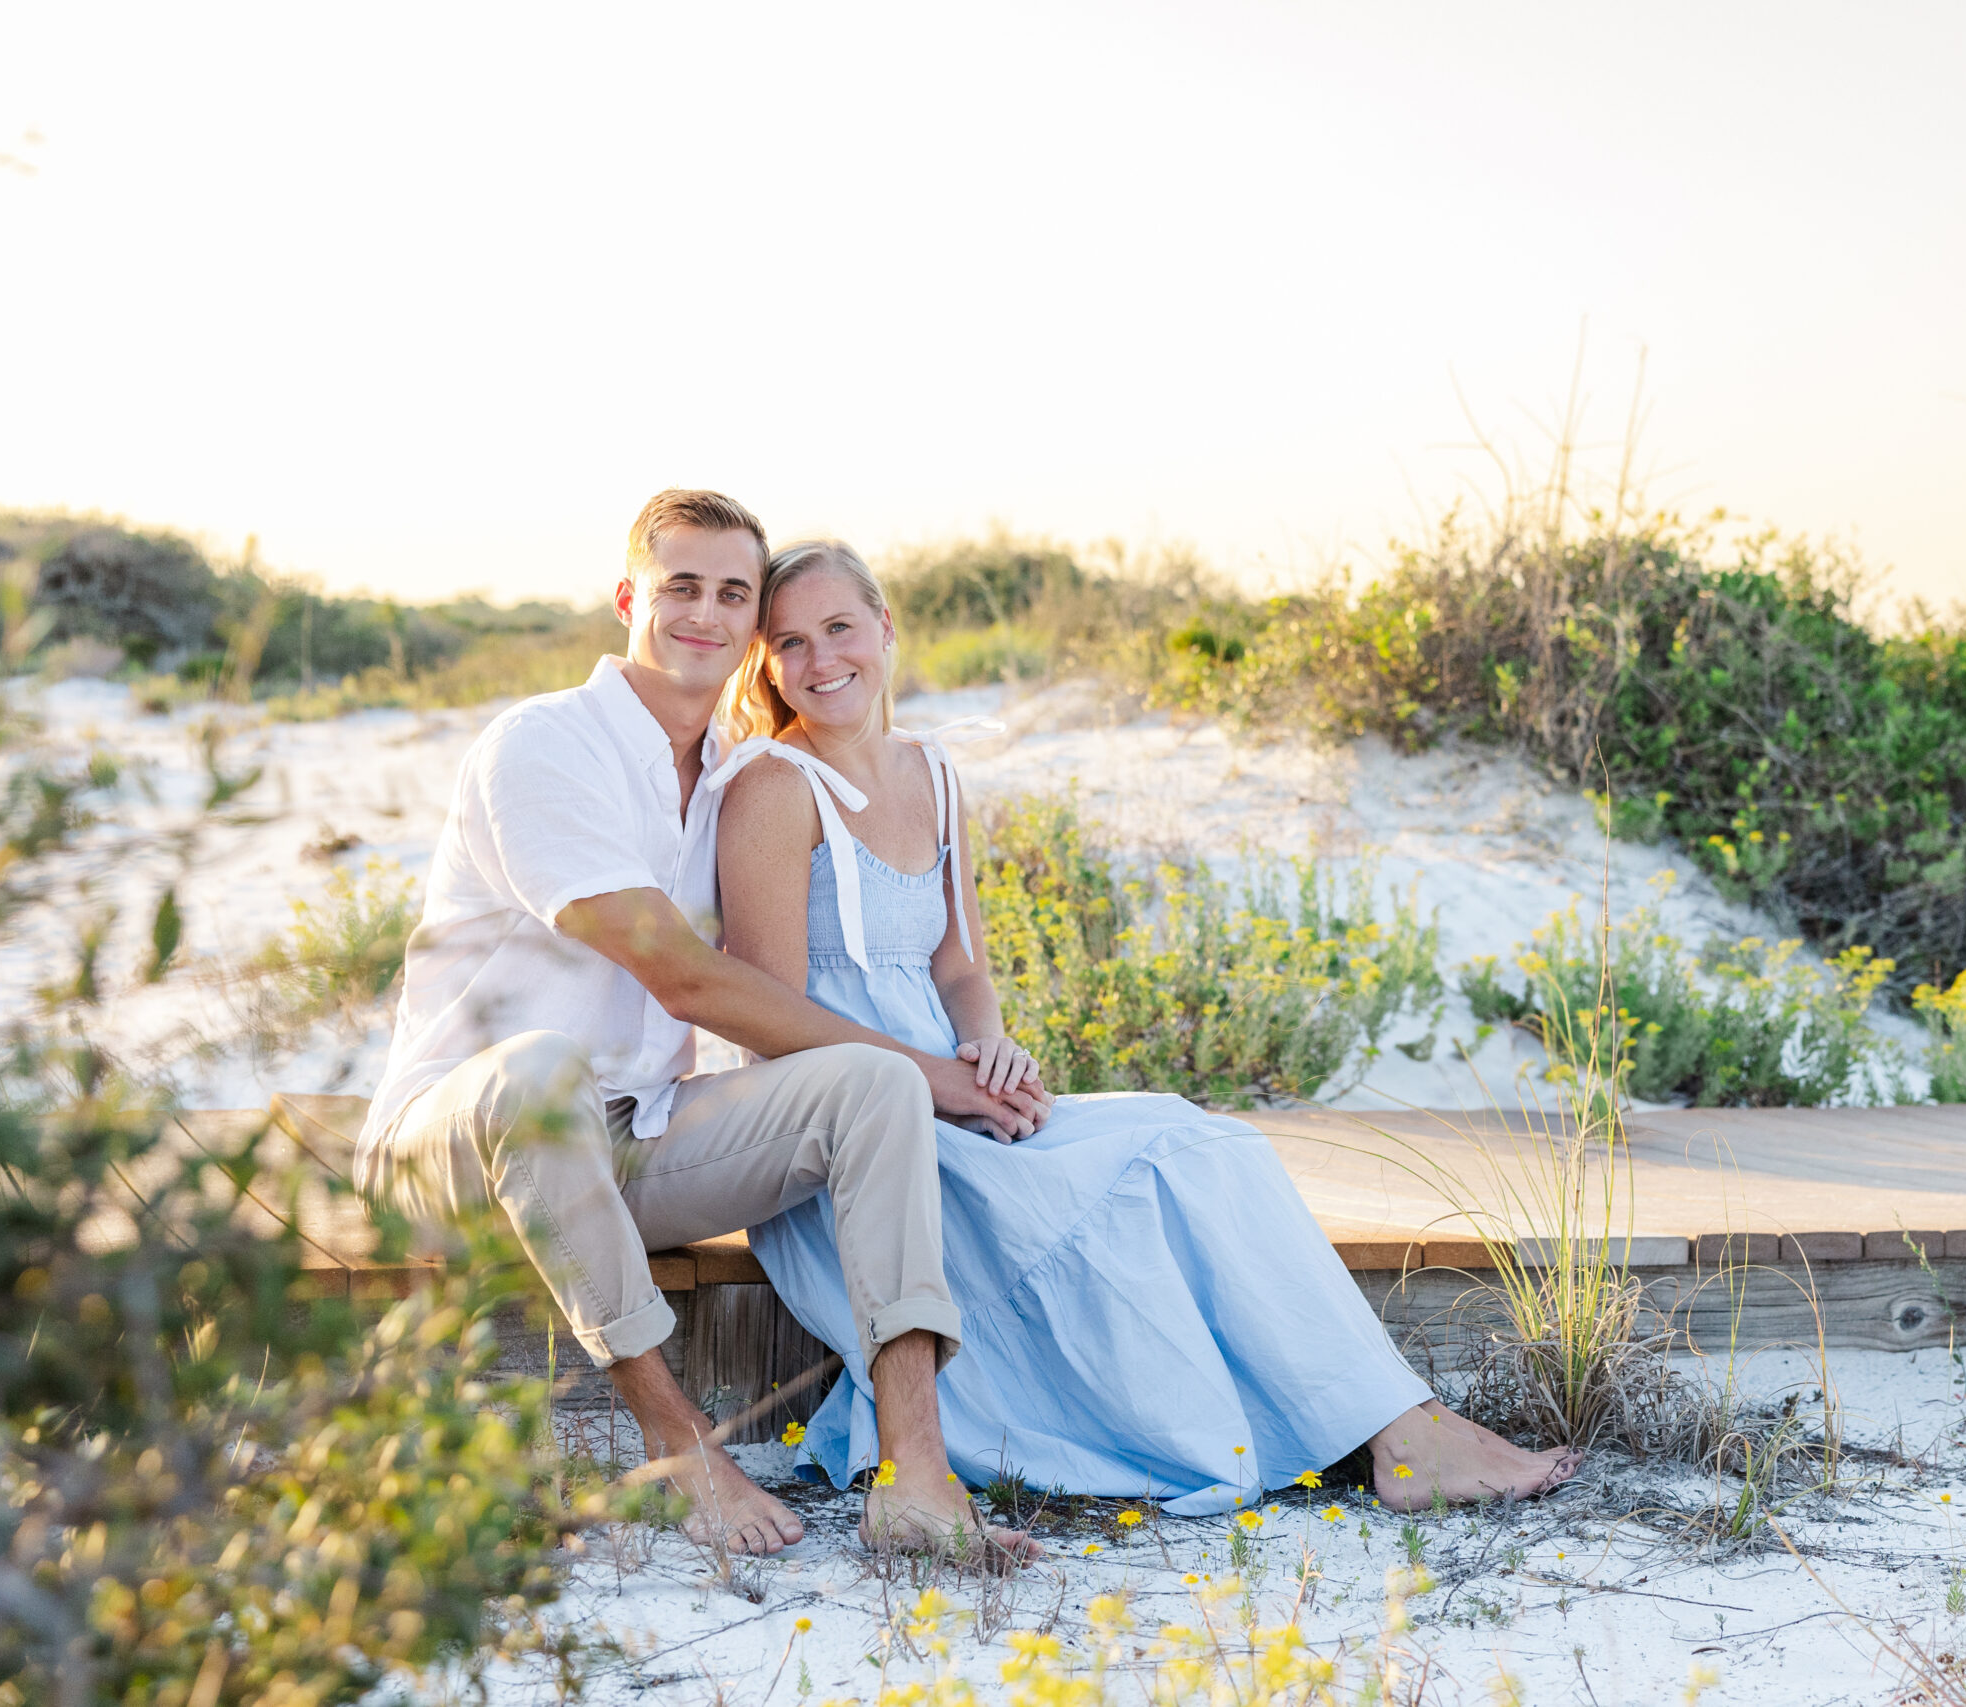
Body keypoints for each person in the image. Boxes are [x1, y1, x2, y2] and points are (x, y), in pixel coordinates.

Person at [709, 540, 1581, 1515]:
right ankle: (1385, 1435)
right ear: (767, 664)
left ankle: (1398, 1432)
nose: (820, 660)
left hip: (949, 1094)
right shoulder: (773, 788)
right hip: (850, 1145)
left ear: (885, 628)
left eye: (837, 627)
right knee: (1139, 1166)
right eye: (789, 642)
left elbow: (958, 966)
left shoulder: (932, 771)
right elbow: (775, 1031)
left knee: (1206, 1141)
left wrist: (988, 1050)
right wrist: (938, 1085)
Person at [355, 491, 1047, 1562]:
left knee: (874, 1087)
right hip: (459, 1146)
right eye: (682, 586)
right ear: (630, 597)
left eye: (735, 594)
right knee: (540, 1070)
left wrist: (936, 1062)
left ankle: (916, 1474)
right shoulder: (543, 747)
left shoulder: (726, 777)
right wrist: (942, 1069)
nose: (707, 614)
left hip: (637, 1140)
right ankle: (682, 1451)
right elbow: (679, 975)